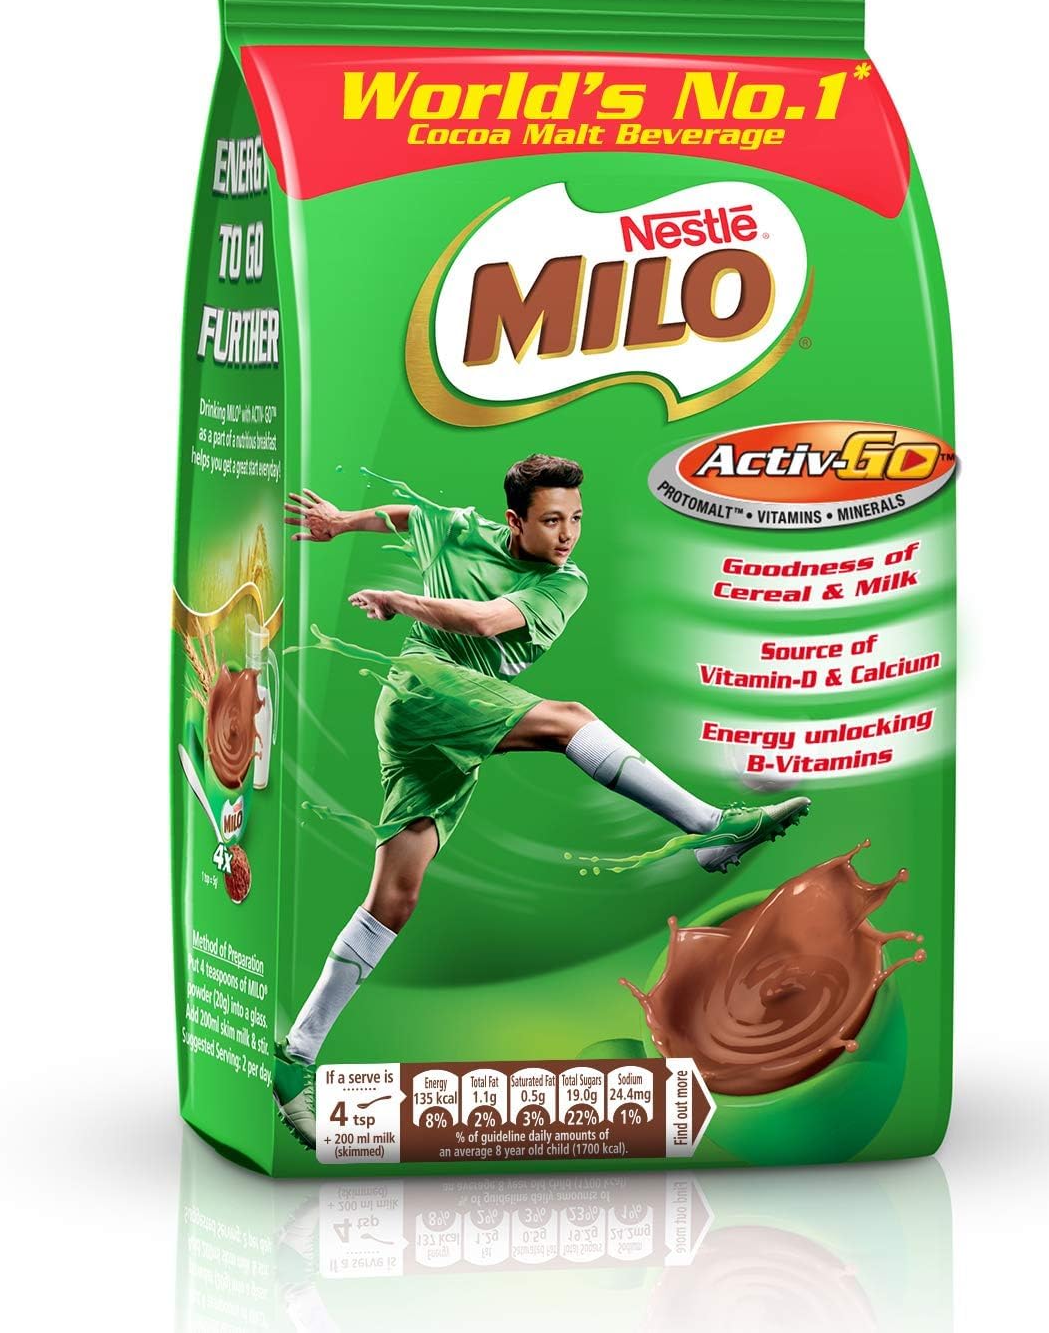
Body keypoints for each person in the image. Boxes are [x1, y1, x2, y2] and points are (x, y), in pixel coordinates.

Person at [271, 455, 809, 1146]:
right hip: (421, 687)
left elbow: (484, 622)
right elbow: (413, 515)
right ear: (514, 521)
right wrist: (344, 522)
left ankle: (296, 1059)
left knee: (394, 900)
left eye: (577, 519)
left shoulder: (564, 583)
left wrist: (400, 598)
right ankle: (709, 828)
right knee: (567, 720)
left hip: (444, 720)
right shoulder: (464, 529)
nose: (568, 535)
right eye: (552, 520)